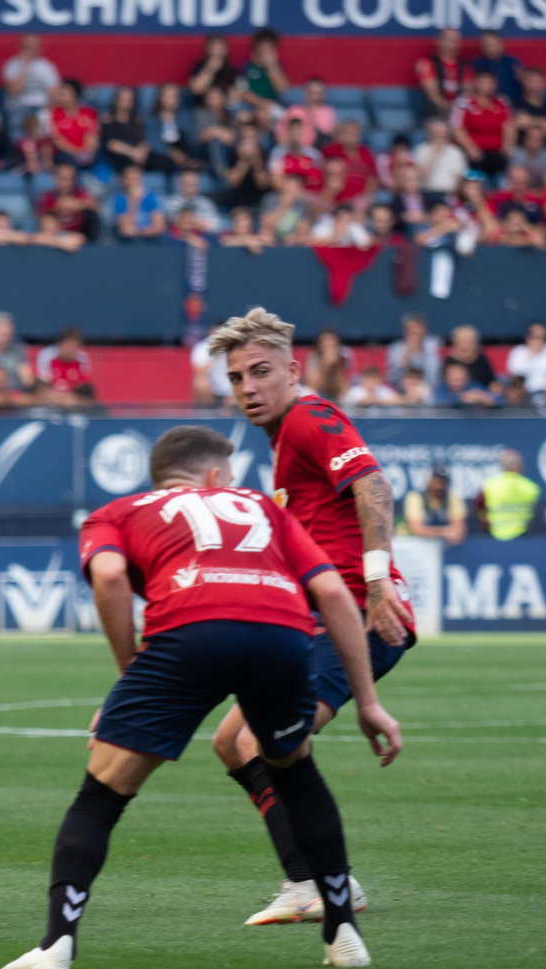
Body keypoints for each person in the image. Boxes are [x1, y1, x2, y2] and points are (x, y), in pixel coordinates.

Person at [0, 426, 398, 969]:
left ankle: (56, 946)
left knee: (101, 795)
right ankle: (343, 934)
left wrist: (130, 681)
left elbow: (110, 576)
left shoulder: (117, 512)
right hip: (282, 633)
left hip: (191, 630)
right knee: (297, 773)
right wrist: (369, 702)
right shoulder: (262, 506)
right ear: (214, 478)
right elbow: (331, 593)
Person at [202, 308, 414, 927]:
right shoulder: (285, 440)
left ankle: (327, 882)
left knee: (261, 740)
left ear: (293, 371)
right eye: (237, 377)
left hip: (360, 617)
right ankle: (308, 881)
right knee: (230, 743)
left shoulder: (310, 417)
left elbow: (373, 485)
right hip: (314, 621)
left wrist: (377, 584)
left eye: (260, 372)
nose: (247, 388)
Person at [403, 469, 465, 544]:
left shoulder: (452, 497)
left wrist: (432, 532)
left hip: (443, 547)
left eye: (443, 482)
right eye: (437, 482)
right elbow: (416, 529)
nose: (439, 487)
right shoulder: (416, 497)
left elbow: (459, 530)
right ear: (429, 481)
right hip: (415, 545)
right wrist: (445, 532)